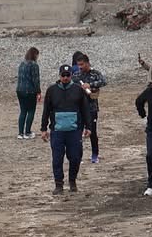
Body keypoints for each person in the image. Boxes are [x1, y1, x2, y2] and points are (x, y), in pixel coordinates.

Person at [40, 63, 89, 193]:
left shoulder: (78, 90)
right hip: (57, 131)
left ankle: (72, 181)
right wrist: (43, 129)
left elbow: (85, 109)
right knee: (57, 159)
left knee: (75, 157)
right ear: (59, 75)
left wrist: (88, 127)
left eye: (68, 75)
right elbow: (46, 110)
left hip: (75, 131)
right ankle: (58, 185)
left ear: (71, 75)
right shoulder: (52, 90)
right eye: (63, 75)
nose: (65, 78)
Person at [71, 52, 107, 163]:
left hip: (92, 107)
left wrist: (90, 85)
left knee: (93, 132)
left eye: (82, 64)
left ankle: (95, 155)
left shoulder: (95, 73)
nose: (80, 67)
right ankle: (78, 156)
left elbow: (104, 81)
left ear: (87, 63)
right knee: (78, 132)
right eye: (79, 65)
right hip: (79, 108)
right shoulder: (76, 75)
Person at [15, 47, 42, 138]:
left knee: (23, 111)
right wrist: (38, 91)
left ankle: (20, 133)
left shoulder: (22, 64)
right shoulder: (34, 65)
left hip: (20, 90)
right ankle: (27, 132)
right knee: (31, 111)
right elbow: (35, 80)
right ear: (35, 55)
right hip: (30, 91)